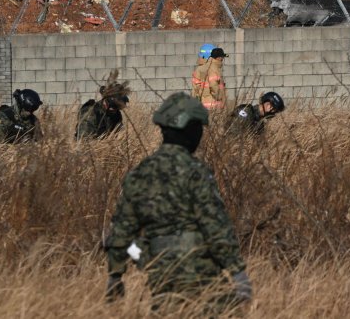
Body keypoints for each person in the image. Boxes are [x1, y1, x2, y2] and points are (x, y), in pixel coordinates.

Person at [104, 92, 250, 311]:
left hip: (158, 272)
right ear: (191, 131)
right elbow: (216, 226)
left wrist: (115, 275)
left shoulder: (139, 173)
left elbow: (122, 229)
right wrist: (237, 272)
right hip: (201, 271)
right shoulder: (196, 172)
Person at [76, 70, 131, 140]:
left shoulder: (116, 114)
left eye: (116, 107)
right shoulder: (90, 112)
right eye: (112, 106)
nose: (113, 109)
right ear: (105, 100)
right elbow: (83, 139)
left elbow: (119, 135)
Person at [203, 47, 229, 111]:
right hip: (213, 104)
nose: (223, 59)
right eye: (222, 57)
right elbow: (213, 85)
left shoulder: (209, 66)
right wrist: (220, 97)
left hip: (209, 102)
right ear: (218, 58)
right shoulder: (214, 68)